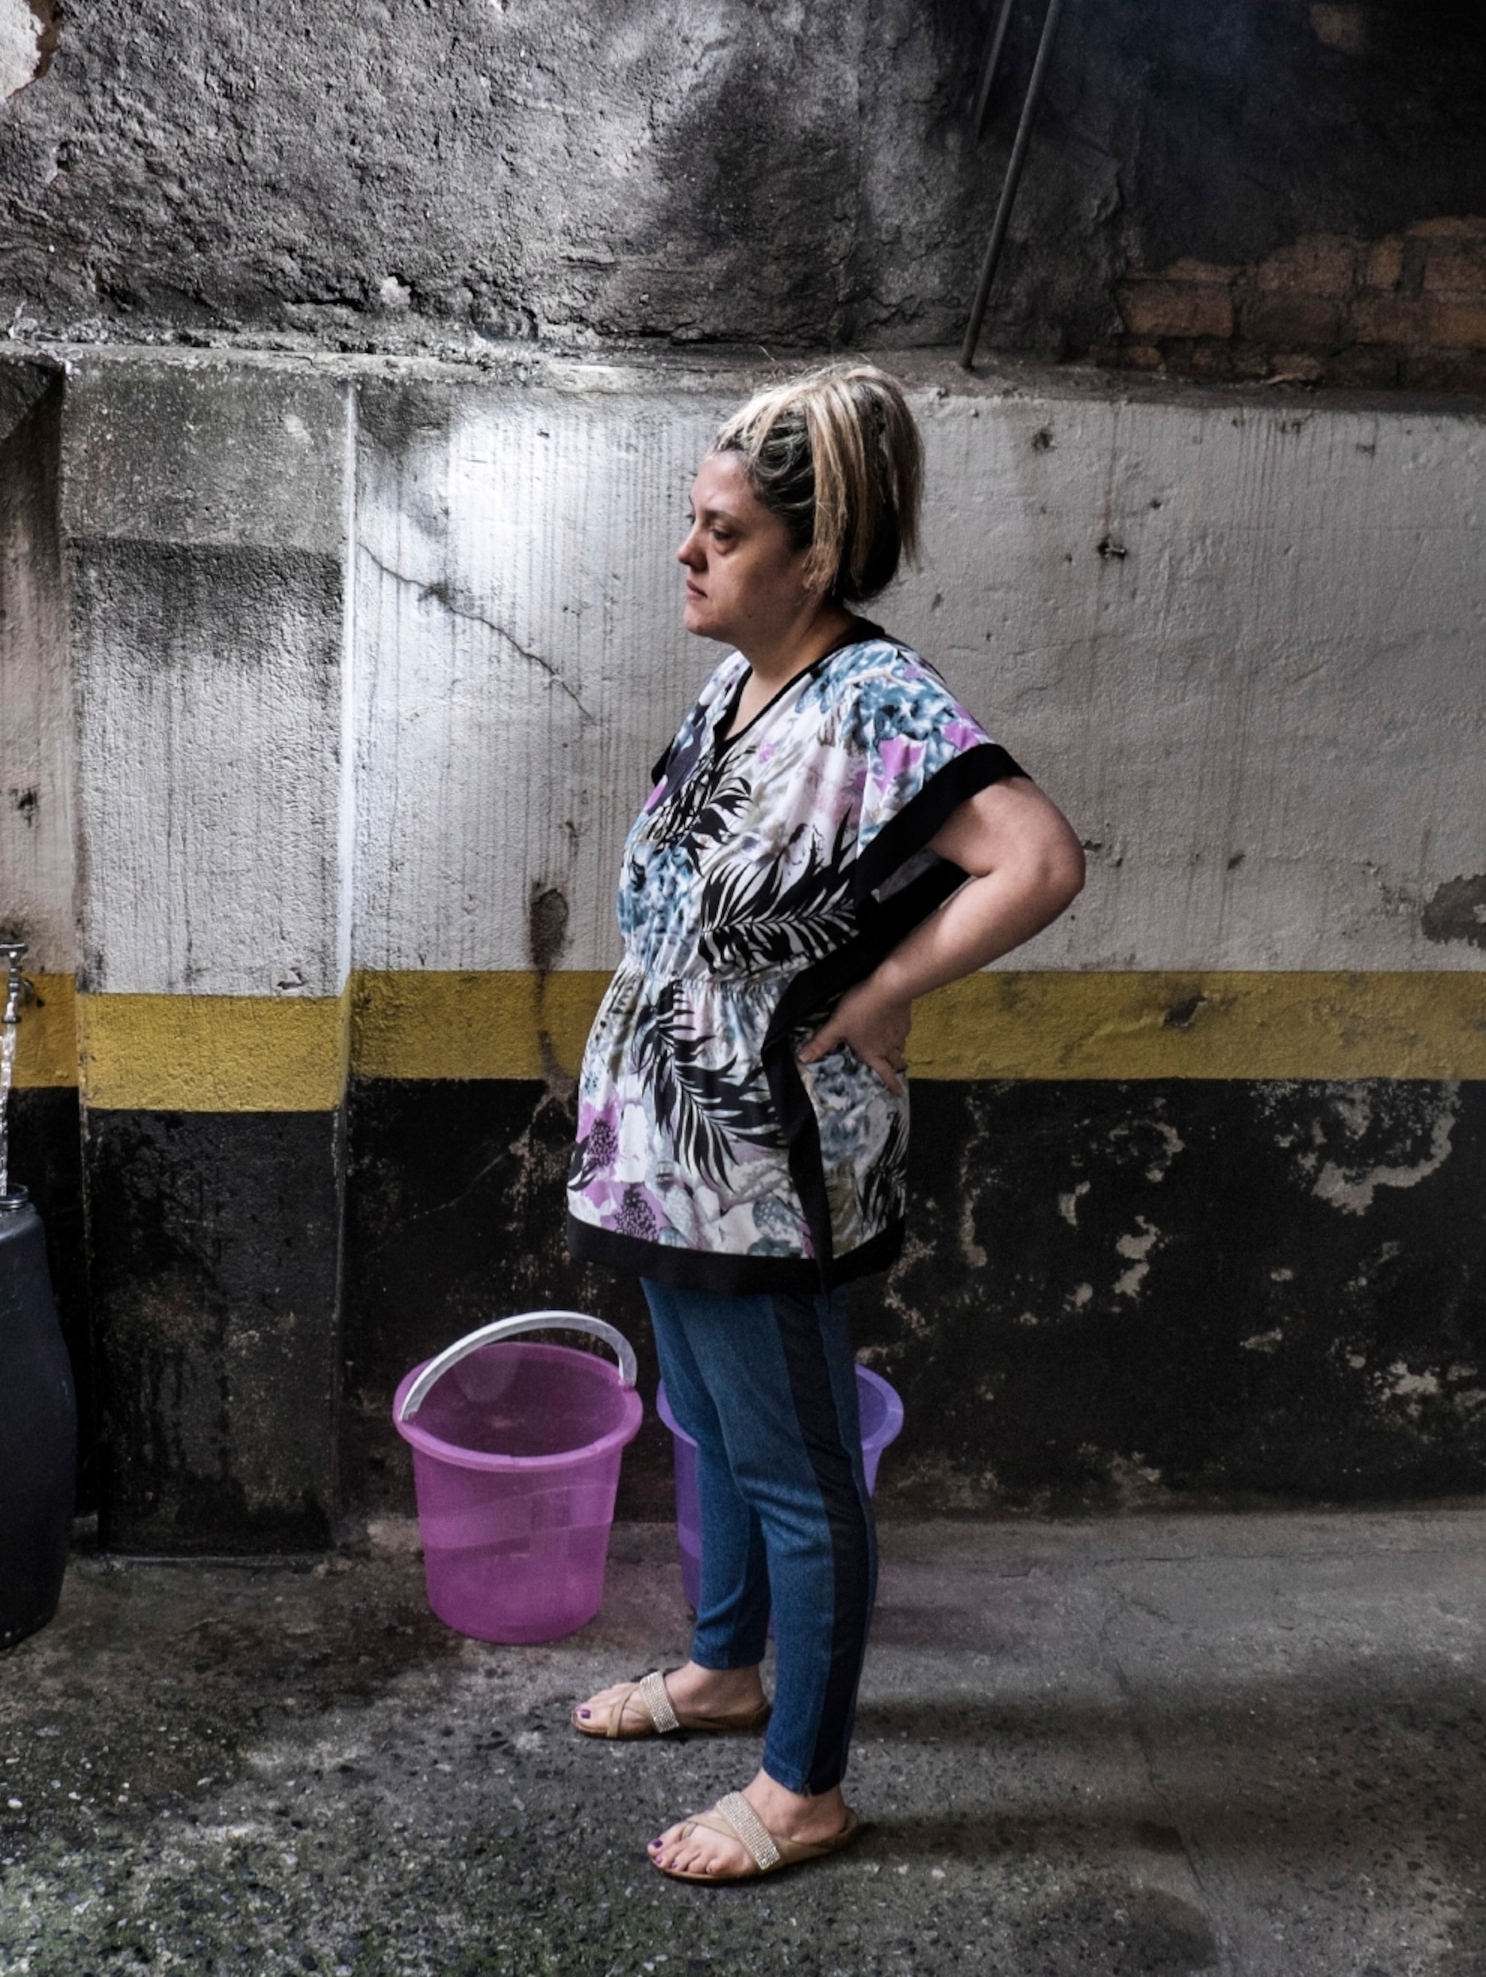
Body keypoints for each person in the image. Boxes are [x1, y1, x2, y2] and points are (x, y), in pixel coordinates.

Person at [562, 365, 1086, 1883]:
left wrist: (891, 987)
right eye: (694, 522)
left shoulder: (876, 699)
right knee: (714, 1426)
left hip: (766, 1168)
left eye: (721, 533)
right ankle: (728, 1667)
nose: (689, 552)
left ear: (815, 558)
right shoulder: (740, 685)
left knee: (795, 1466)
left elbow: (1037, 860)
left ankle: (805, 1788)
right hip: (666, 1152)